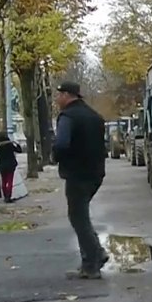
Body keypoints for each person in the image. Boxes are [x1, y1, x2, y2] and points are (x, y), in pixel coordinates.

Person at [53, 80, 109, 279]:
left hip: (76, 174)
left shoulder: (67, 116)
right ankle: (91, 258)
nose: (57, 99)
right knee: (81, 216)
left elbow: (61, 144)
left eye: (59, 95)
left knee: (78, 217)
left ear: (67, 95)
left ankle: (94, 259)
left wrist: (55, 156)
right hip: (96, 174)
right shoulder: (95, 117)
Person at [0, 131, 22, 202]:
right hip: (10, 164)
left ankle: (5, 196)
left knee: (3, 181)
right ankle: (8, 196)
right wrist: (16, 144)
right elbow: (19, 150)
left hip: (2, 165)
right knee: (10, 181)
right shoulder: (9, 145)